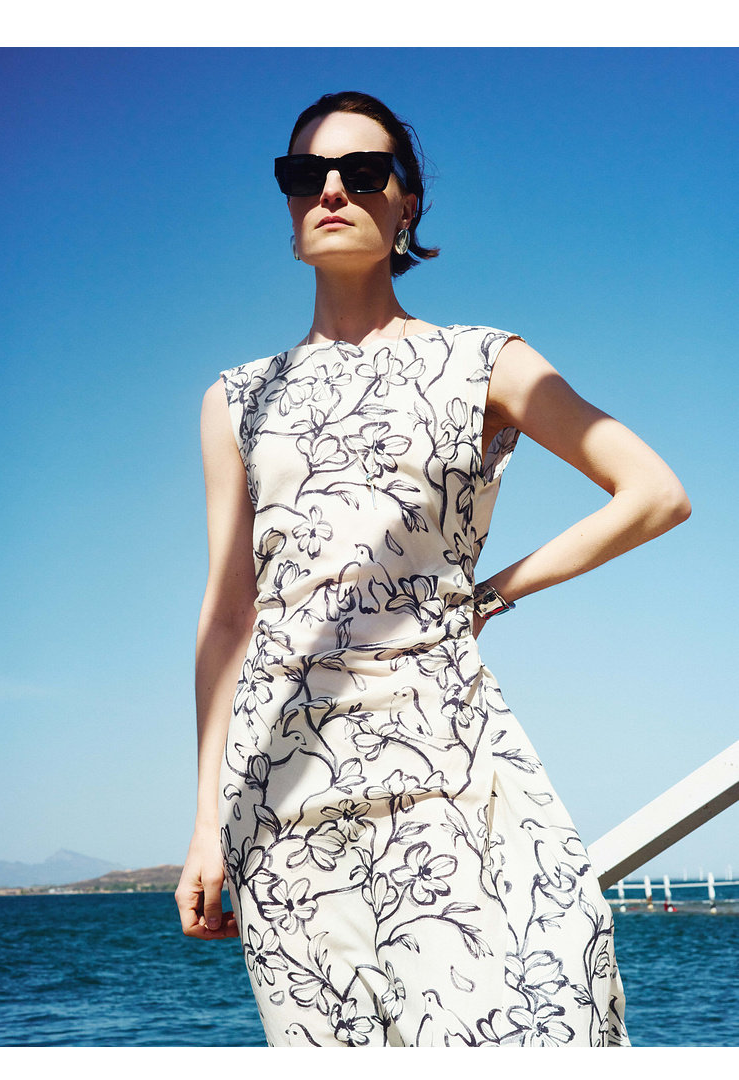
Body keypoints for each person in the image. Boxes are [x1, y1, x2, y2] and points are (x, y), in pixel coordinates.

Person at [175, 90, 690, 1047]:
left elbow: (653, 492)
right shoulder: (234, 400)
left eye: (362, 172)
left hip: (448, 757)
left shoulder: (482, 361)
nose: (331, 190)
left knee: (542, 1010)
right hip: (281, 792)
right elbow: (227, 616)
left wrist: (494, 594)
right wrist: (205, 824)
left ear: (407, 204)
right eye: (305, 174)